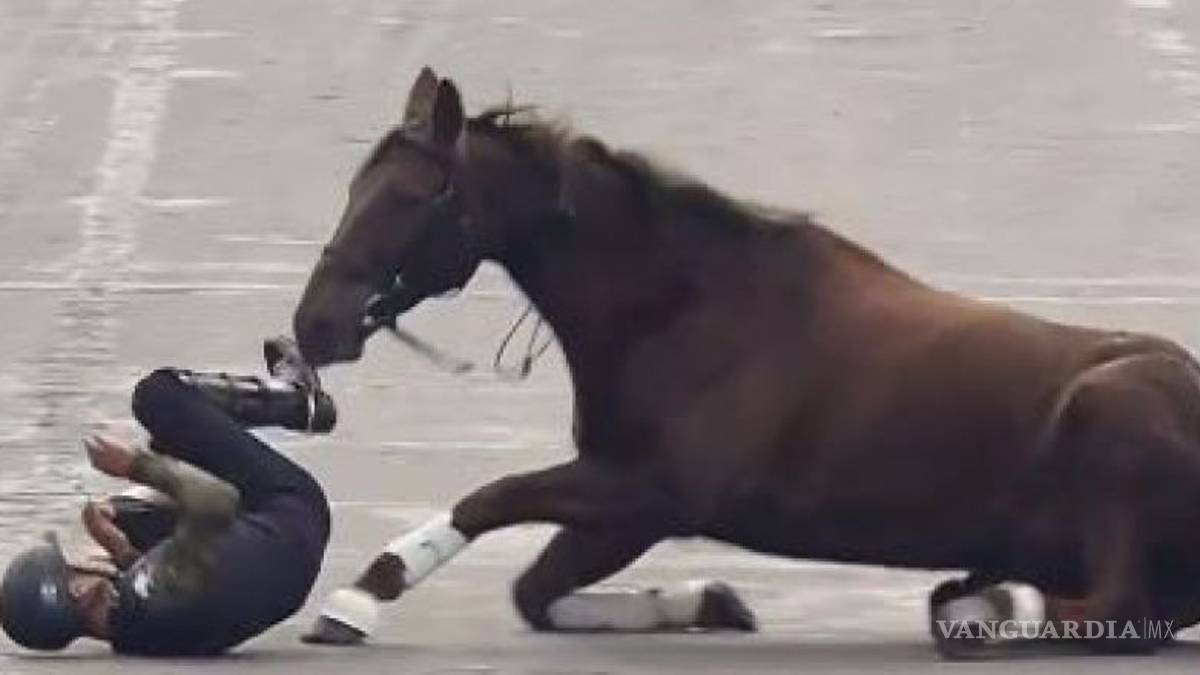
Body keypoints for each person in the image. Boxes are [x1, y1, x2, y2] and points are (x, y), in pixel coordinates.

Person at [0, 338, 332, 656]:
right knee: (158, 398)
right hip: (292, 509)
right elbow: (216, 500)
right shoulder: (157, 590)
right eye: (72, 565)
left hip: (286, 580)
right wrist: (136, 465)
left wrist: (121, 550)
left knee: (131, 515)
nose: (82, 559)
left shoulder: (134, 636)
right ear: (79, 590)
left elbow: (170, 586)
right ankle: (297, 400)